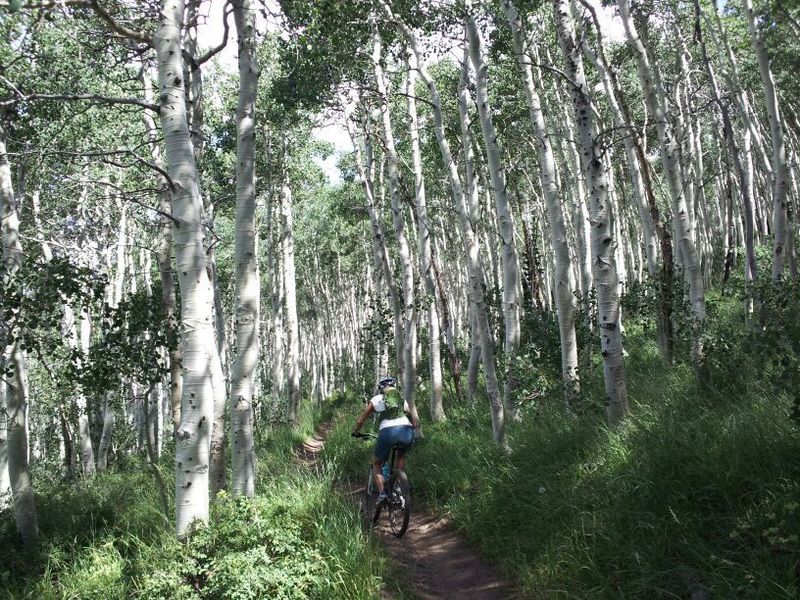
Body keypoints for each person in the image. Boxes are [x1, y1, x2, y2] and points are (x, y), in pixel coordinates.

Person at [352, 376, 418, 504]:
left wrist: (356, 431)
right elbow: (414, 420)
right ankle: (399, 485)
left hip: (387, 433)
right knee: (400, 456)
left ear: (381, 388)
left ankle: (382, 493)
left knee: (376, 463)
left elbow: (361, 419)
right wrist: (413, 430)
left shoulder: (377, 399)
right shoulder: (401, 400)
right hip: (406, 431)